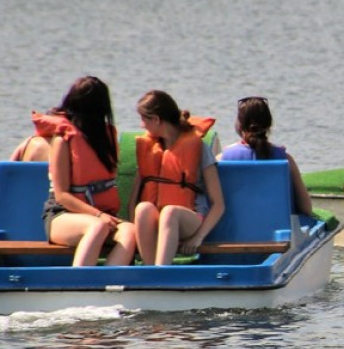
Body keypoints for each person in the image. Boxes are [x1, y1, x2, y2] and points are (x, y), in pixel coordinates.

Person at [41, 76, 137, 267]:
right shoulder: (62, 140)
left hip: (102, 216)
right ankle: (77, 284)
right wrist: (98, 215)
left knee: (130, 231)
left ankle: (108, 285)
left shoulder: (108, 135)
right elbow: (62, 196)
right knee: (98, 226)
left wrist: (101, 215)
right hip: (62, 216)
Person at [131, 90, 225, 265]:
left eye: (144, 119)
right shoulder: (151, 149)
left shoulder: (199, 148)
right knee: (143, 208)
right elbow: (134, 201)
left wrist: (198, 238)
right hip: (157, 219)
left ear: (157, 119)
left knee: (169, 212)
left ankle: (161, 275)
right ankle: (150, 273)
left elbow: (218, 204)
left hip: (190, 220)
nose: (142, 125)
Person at [218, 96, 313, 215]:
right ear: (269, 124)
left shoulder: (222, 159)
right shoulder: (286, 160)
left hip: (233, 230)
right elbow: (306, 208)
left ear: (239, 125)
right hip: (278, 229)